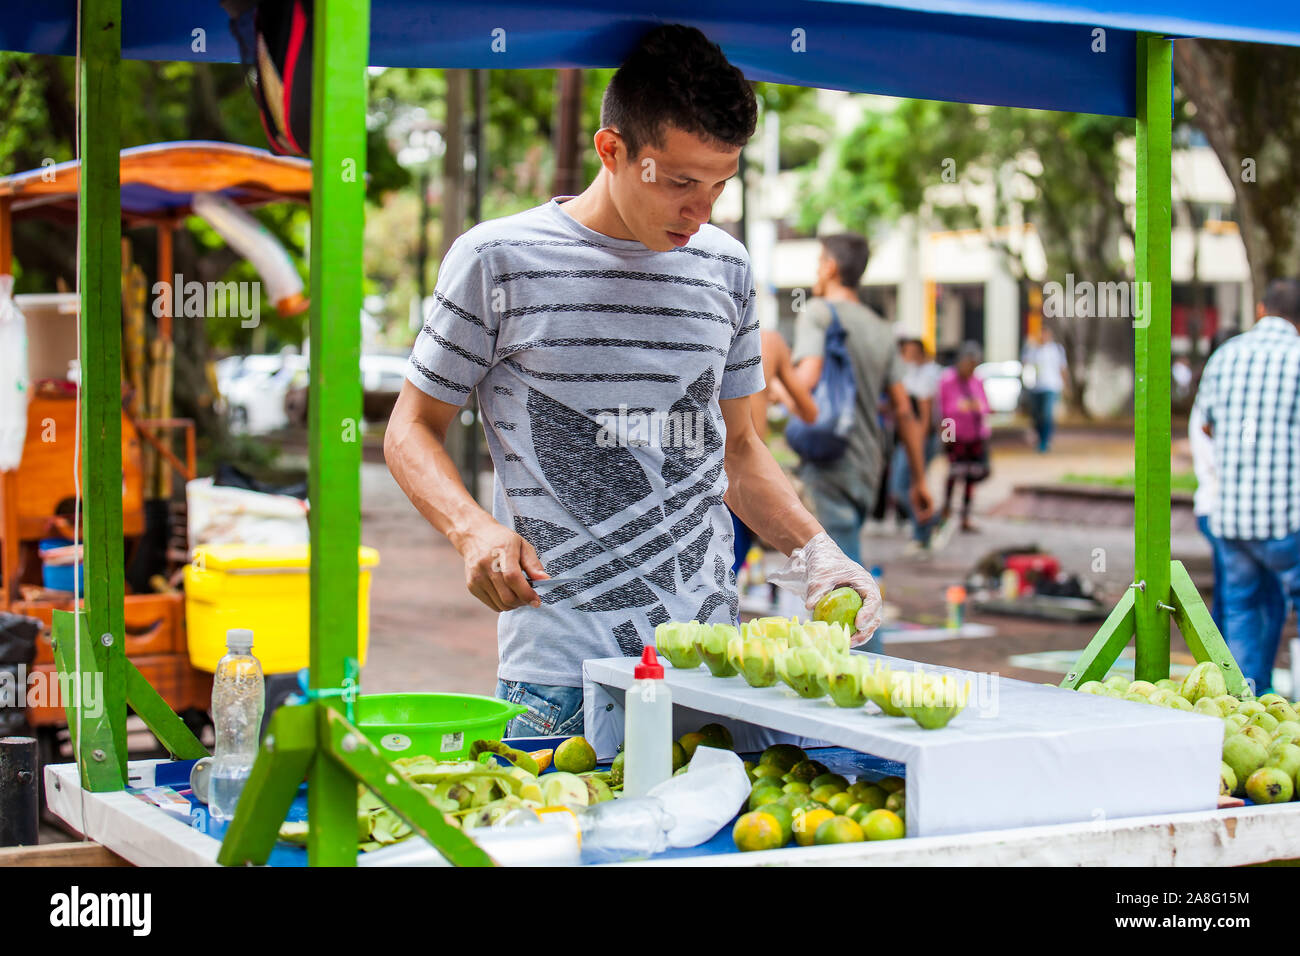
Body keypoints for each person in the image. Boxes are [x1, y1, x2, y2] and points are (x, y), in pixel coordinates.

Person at [386, 24, 885, 738]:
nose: (701, 211)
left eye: (718, 185)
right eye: (681, 182)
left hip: (714, 670)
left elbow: (740, 452)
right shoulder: (498, 259)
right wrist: (472, 531)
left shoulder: (728, 268)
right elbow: (410, 428)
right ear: (611, 150)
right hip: (560, 679)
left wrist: (818, 553)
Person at [790, 235, 934, 576]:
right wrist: (919, 481)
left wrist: (771, 383)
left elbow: (806, 380)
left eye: (818, 263)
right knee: (840, 562)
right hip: (867, 466)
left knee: (839, 579)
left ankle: (868, 630)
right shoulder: (883, 330)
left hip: (829, 462)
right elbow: (903, 410)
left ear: (830, 267)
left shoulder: (818, 313)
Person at [1192, 278, 1300, 695]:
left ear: (1260, 310)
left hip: (1234, 518)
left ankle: (1245, 706)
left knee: (1241, 612)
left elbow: (1207, 424)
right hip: (1289, 519)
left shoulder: (1225, 357)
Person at [730, 329, 818, 574]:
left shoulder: (706, 327)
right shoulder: (770, 341)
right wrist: (772, 391)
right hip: (746, 472)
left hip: (706, 466)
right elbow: (809, 412)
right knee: (729, 574)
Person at [889, 335, 942, 555]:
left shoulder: (929, 373)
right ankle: (927, 527)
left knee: (906, 486)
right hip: (910, 438)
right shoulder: (909, 372)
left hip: (919, 438)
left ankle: (927, 527)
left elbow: (923, 412)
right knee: (904, 487)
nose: (906, 356)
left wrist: (916, 443)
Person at [937, 342, 992, 534]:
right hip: (954, 434)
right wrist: (946, 436)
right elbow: (943, 410)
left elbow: (986, 406)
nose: (971, 368)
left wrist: (977, 406)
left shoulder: (977, 381)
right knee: (953, 473)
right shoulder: (947, 380)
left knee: (971, 475)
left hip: (975, 435)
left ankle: (966, 515)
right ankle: (946, 510)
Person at [1021, 325, 1067, 452]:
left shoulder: (1056, 349)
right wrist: (1028, 345)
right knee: (1036, 415)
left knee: (1047, 414)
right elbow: (1025, 364)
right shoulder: (1033, 349)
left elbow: (1062, 368)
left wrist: (1065, 386)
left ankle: (1045, 441)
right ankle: (1040, 436)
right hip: (1035, 387)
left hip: (1051, 386)